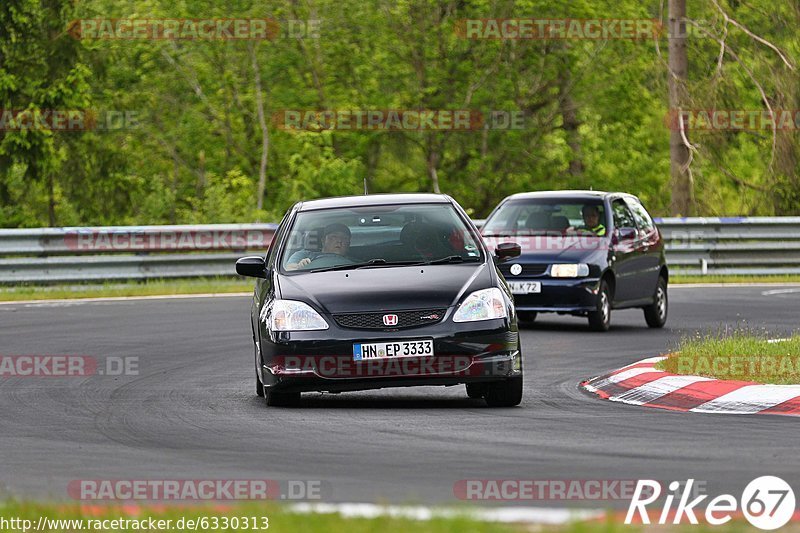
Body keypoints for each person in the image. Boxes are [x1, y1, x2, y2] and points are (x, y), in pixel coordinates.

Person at [286, 223, 352, 270]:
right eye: (334, 237)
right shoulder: (303, 255)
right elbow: (288, 270)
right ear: (323, 240)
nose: (339, 240)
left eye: (344, 238)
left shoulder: (357, 262)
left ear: (349, 243)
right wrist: (299, 267)